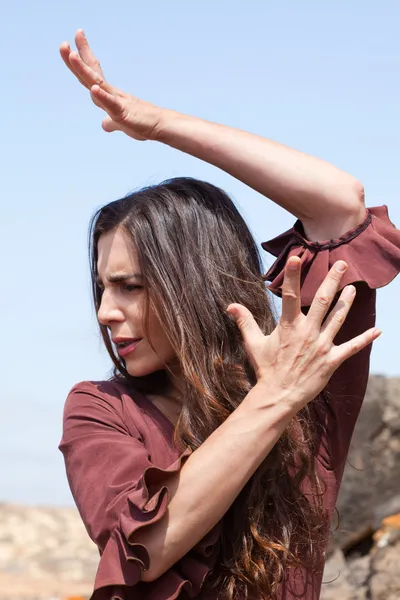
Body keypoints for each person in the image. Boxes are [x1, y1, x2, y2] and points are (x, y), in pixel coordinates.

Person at [58, 30, 400, 600]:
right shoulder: (100, 410)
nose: (105, 312)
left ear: (194, 282)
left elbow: (341, 205)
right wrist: (275, 397)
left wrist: (157, 123)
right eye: (100, 287)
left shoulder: (303, 371)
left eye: (130, 286)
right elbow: (145, 549)